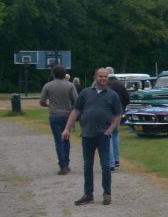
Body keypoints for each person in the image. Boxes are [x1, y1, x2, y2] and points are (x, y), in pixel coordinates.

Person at [62, 67, 123, 206]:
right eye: (100, 76)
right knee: (88, 166)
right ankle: (88, 194)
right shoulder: (85, 93)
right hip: (87, 135)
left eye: (105, 77)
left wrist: (110, 130)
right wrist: (66, 128)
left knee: (106, 166)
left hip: (103, 136)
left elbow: (118, 114)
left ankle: (107, 194)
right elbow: (76, 110)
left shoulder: (112, 95)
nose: (103, 79)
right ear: (95, 77)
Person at [39, 64, 78, 174]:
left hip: (54, 115)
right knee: (66, 139)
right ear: (64, 74)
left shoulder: (48, 86)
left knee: (58, 140)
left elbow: (41, 101)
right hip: (67, 116)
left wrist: (49, 106)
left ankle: (62, 165)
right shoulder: (70, 86)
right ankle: (67, 163)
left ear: (53, 74)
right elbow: (77, 100)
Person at [105, 68, 130, 170]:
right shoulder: (119, 84)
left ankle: (111, 162)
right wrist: (122, 107)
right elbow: (127, 98)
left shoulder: (104, 84)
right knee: (115, 135)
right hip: (118, 113)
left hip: (107, 113)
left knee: (109, 136)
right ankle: (116, 159)